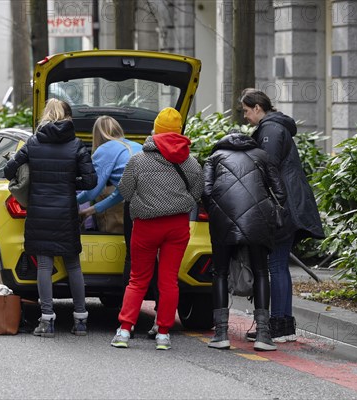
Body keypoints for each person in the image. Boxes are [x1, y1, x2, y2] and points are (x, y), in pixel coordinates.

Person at [3, 98, 97, 338]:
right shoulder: (76, 145)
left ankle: (47, 320)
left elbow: (8, 171)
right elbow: (90, 181)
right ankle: (80, 321)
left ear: (46, 115)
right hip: (65, 212)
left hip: (39, 212)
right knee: (73, 265)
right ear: (68, 117)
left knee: (44, 265)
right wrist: (67, 181)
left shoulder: (33, 142)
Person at [111, 107, 203, 350]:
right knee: (169, 280)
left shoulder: (138, 160)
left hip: (145, 226)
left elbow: (125, 191)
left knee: (138, 279)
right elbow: (196, 194)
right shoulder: (191, 162)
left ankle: (124, 330)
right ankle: (163, 333)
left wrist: (145, 201)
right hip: (177, 226)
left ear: (155, 130)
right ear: (179, 131)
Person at [239, 89, 325, 342]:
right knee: (279, 265)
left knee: (275, 265)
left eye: (246, 111)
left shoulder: (271, 130)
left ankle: (277, 324)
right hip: (290, 205)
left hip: (281, 206)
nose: (245, 117)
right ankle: (284, 325)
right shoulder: (277, 127)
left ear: (257, 108)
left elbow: (267, 168)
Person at [202, 131, 286, 351]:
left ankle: (221, 333)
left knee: (219, 272)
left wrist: (219, 210)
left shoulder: (214, 158)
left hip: (223, 218)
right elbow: (280, 192)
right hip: (257, 220)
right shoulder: (263, 156)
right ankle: (263, 334)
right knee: (260, 271)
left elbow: (205, 191)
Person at [76, 115, 142, 286]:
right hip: (156, 203)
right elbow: (120, 193)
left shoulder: (105, 150)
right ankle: (159, 306)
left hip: (135, 207)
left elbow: (91, 191)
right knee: (153, 256)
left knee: (132, 256)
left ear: (97, 135)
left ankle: (127, 305)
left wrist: (70, 200)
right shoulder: (137, 146)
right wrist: (90, 211)